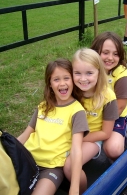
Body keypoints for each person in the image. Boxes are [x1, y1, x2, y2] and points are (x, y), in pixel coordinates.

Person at [17, 58, 89, 195]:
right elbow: (25, 135)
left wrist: (74, 188)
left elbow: (76, 150)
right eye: (56, 79)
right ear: (50, 84)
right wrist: (8, 151)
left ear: (73, 80)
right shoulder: (43, 106)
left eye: (66, 78)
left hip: (52, 168)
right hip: (28, 159)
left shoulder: (77, 111)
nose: (62, 83)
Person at [64, 48, 119, 188]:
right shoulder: (72, 91)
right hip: (67, 134)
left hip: (92, 138)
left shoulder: (108, 96)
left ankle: (83, 190)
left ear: (99, 72)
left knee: (70, 167)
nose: (83, 79)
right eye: (77, 73)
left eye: (89, 73)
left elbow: (105, 133)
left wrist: (78, 139)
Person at [91, 32, 127, 160]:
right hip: (91, 114)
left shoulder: (122, 74)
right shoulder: (89, 70)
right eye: (105, 52)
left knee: (113, 150)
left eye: (115, 54)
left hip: (115, 117)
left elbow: (119, 107)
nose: (110, 58)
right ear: (95, 52)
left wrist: (99, 126)